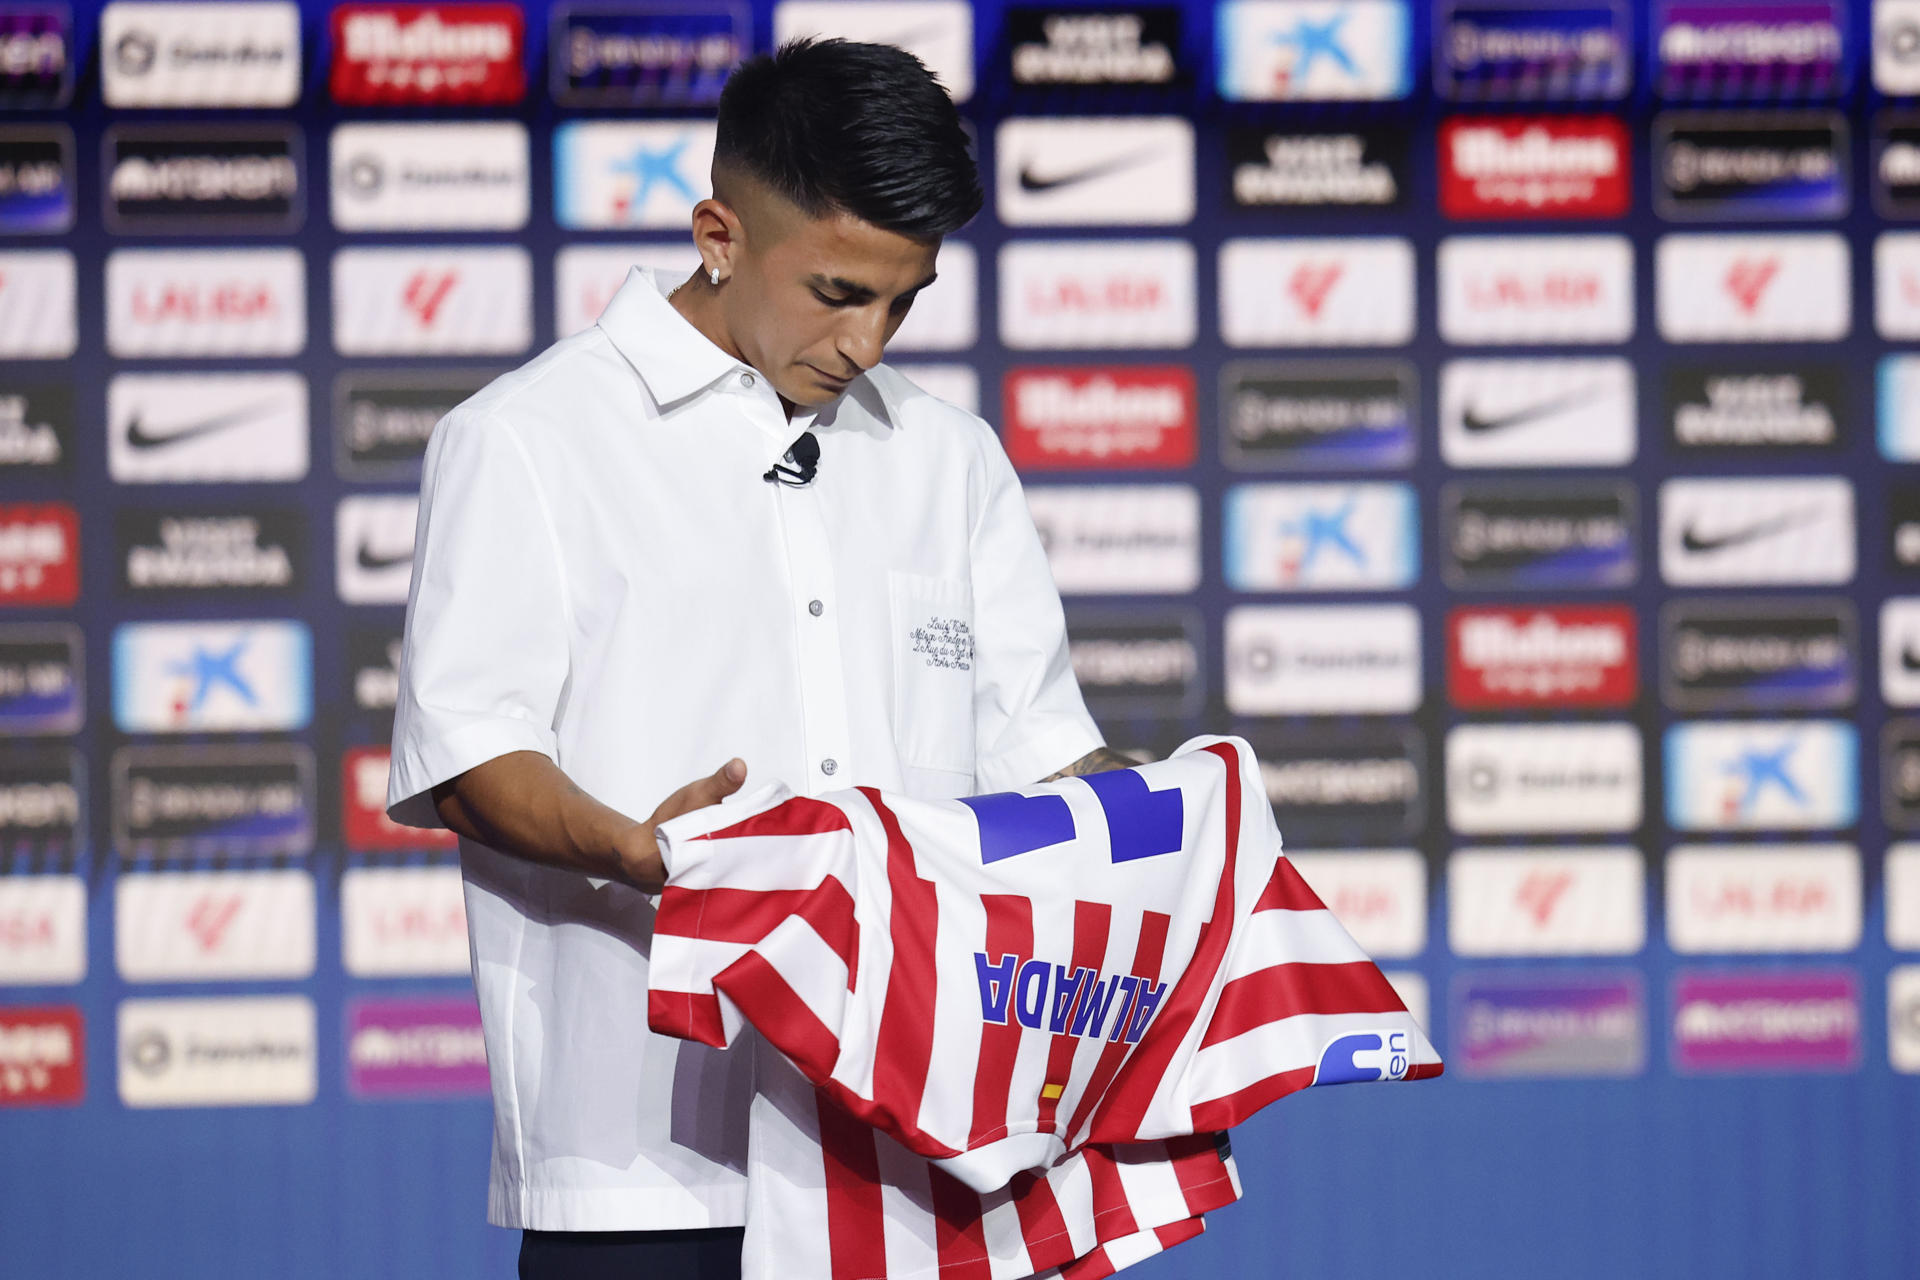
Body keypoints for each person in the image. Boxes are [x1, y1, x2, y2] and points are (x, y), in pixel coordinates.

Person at [385, 38, 1134, 1280]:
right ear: (719, 234)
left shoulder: (953, 460)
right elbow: (466, 756)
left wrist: (1170, 815)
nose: (870, 341)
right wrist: (632, 844)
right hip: (643, 1166)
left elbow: (1048, 756)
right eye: (839, 291)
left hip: (919, 1146)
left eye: (905, 299)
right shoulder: (527, 439)